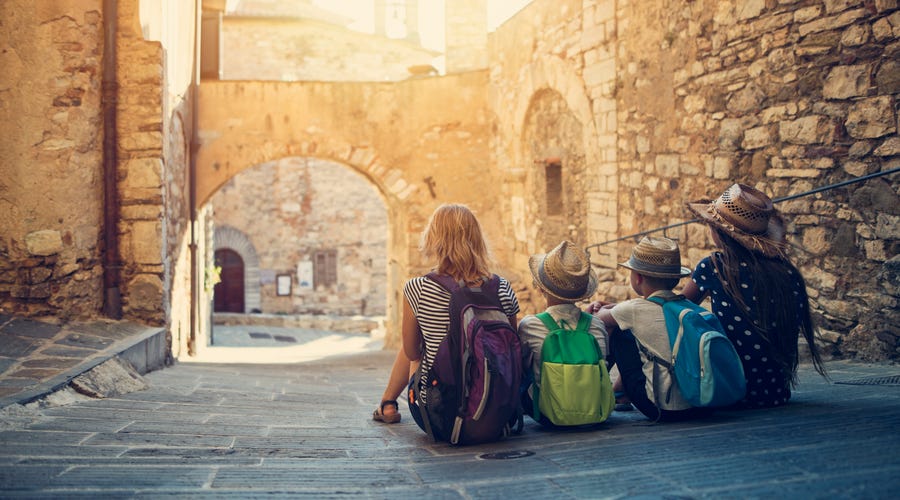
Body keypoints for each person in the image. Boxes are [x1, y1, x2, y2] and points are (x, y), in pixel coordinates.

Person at [372, 203, 520, 426]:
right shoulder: (502, 287)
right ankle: (388, 402)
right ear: (477, 238)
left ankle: (387, 403)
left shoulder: (417, 288)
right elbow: (512, 344)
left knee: (415, 345)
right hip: (497, 410)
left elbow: (412, 352)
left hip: (440, 416)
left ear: (433, 238)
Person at [682, 183, 827, 408]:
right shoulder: (785, 271)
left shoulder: (714, 267)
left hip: (732, 389)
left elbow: (678, 307)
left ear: (721, 232)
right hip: (775, 392)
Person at [589, 236, 712, 421]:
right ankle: (619, 393)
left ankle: (598, 393)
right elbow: (635, 310)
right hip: (700, 404)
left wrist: (598, 308)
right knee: (624, 324)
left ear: (638, 277)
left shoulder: (633, 310)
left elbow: (597, 321)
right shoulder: (685, 305)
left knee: (619, 333)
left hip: (660, 408)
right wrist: (612, 307)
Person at [518, 240, 608, 425]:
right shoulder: (597, 325)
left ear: (541, 287)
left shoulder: (529, 325)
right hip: (595, 413)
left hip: (548, 416)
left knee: (522, 359)